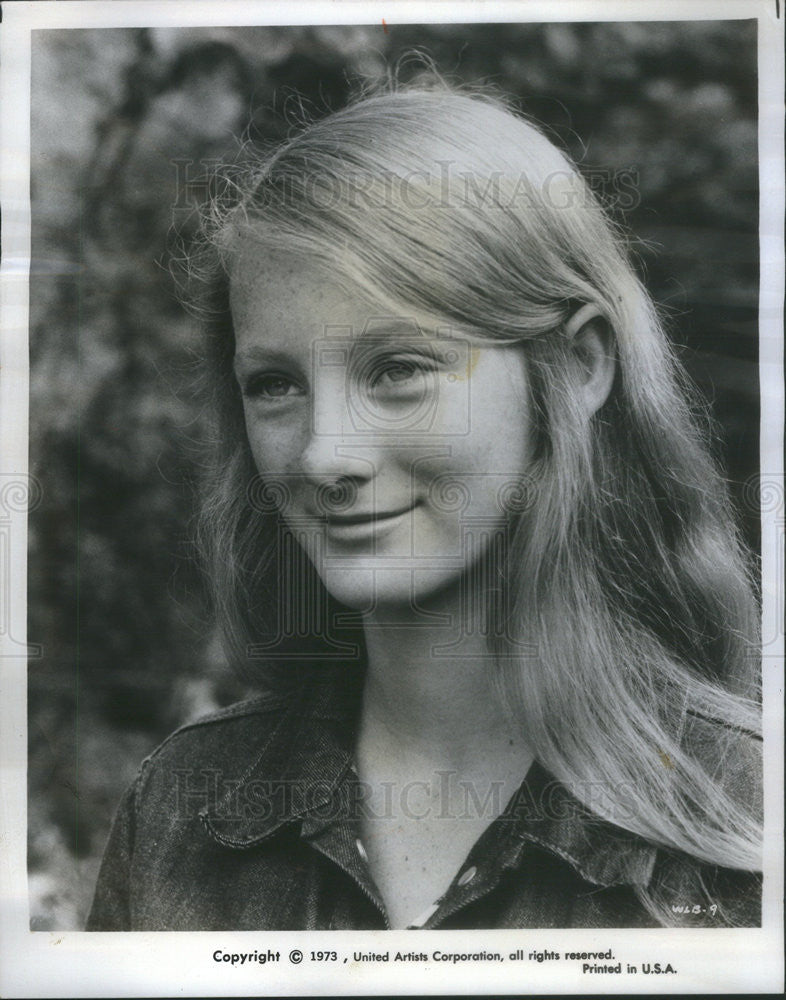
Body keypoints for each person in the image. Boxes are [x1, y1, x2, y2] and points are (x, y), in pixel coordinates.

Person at [87, 82, 762, 931]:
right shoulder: (183, 810)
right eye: (275, 384)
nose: (325, 452)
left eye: (398, 369)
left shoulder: (748, 821)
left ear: (580, 365)